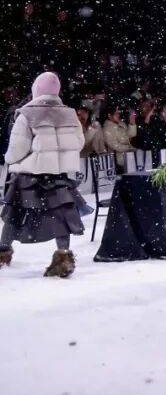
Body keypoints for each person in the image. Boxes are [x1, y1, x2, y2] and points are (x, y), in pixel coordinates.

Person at [0, 72, 90, 277]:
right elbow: (78, 143)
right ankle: (64, 257)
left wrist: (9, 159)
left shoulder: (27, 114)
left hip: (29, 175)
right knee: (62, 216)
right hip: (58, 175)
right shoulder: (70, 114)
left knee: (15, 213)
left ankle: (3, 252)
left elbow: (17, 150)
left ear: (36, 90)